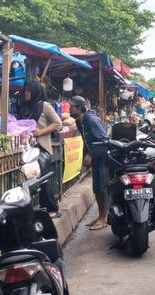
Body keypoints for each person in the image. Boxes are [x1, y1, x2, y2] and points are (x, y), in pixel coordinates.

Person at [19, 80, 62, 217]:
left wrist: (41, 132)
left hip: (41, 148)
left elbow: (58, 123)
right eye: (24, 90)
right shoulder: (24, 107)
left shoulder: (44, 106)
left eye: (28, 90)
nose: (25, 93)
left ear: (35, 91)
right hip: (27, 149)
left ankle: (52, 208)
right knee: (30, 180)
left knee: (42, 180)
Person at [68, 96, 109, 230]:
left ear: (80, 108)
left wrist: (90, 155)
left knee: (101, 188)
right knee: (97, 189)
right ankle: (100, 215)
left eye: (72, 107)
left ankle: (104, 218)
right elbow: (87, 141)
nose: (70, 109)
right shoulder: (80, 121)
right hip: (95, 159)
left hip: (102, 158)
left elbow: (104, 141)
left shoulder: (91, 120)